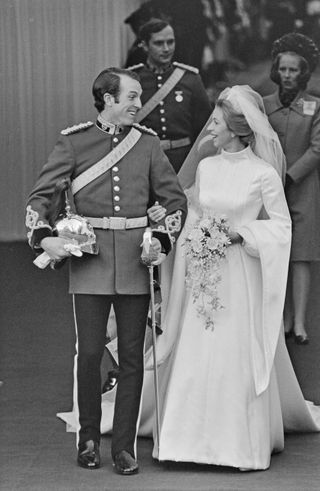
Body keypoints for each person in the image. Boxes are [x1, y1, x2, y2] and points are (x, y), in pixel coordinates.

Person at [147, 85, 320, 470]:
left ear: (239, 130)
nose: (210, 129)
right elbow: (193, 214)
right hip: (203, 273)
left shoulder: (263, 175)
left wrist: (242, 235)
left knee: (232, 353)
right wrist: (186, 240)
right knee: (197, 350)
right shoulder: (206, 168)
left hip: (240, 274)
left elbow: (280, 228)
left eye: (217, 123)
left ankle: (238, 446)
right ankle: (182, 442)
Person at [25, 67, 187, 475]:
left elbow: (174, 200)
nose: (138, 104)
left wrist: (162, 238)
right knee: (92, 353)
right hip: (90, 262)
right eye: (131, 97)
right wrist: (45, 239)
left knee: (132, 357)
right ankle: (90, 439)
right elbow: (42, 196)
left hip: (136, 261)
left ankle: (125, 447)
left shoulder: (148, 145)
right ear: (108, 100)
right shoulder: (74, 142)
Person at [264, 33, 320, 344]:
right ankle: (281, 317)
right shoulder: (264, 105)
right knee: (275, 254)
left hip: (302, 188)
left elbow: (317, 148)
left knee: (301, 257)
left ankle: (299, 322)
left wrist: (290, 176)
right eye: (283, 69)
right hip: (269, 190)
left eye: (293, 70)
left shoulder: (315, 106)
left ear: (303, 73)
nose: (287, 76)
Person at [128, 18, 212, 173]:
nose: (166, 48)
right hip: (144, 162)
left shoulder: (190, 79)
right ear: (145, 46)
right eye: (159, 43)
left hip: (183, 162)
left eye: (170, 42)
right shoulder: (131, 80)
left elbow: (204, 127)